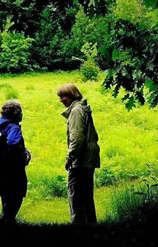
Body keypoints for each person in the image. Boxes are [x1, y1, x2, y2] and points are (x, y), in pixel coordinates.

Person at [57, 84, 100, 225]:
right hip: (88, 157)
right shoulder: (81, 108)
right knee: (86, 194)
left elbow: (77, 138)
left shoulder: (76, 111)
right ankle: (90, 224)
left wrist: (70, 158)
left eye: (63, 97)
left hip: (82, 158)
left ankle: (79, 225)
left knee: (76, 193)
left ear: (71, 96)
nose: (61, 100)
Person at [0, 100, 31, 225]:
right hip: (13, 168)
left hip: (1, 166)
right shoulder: (14, 127)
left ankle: (6, 220)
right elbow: (12, 144)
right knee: (17, 194)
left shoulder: (1, 125)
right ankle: (9, 221)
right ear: (17, 113)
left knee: (6, 196)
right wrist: (25, 155)